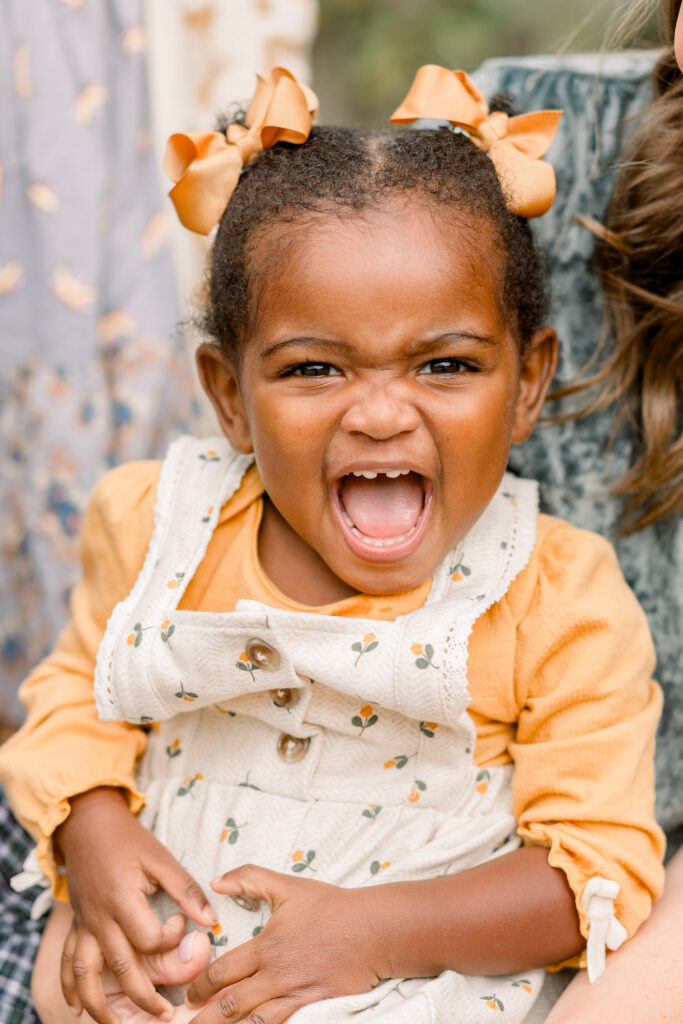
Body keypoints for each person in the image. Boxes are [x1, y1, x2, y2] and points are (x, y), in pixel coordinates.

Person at [0, 67, 664, 1024]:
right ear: (230, 396)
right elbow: (77, 694)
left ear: (528, 384)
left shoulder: (555, 597)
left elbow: (590, 872)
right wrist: (90, 829)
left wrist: (373, 934)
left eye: (446, 365)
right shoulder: (159, 526)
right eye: (313, 368)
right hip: (149, 979)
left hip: (402, 991)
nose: (383, 412)